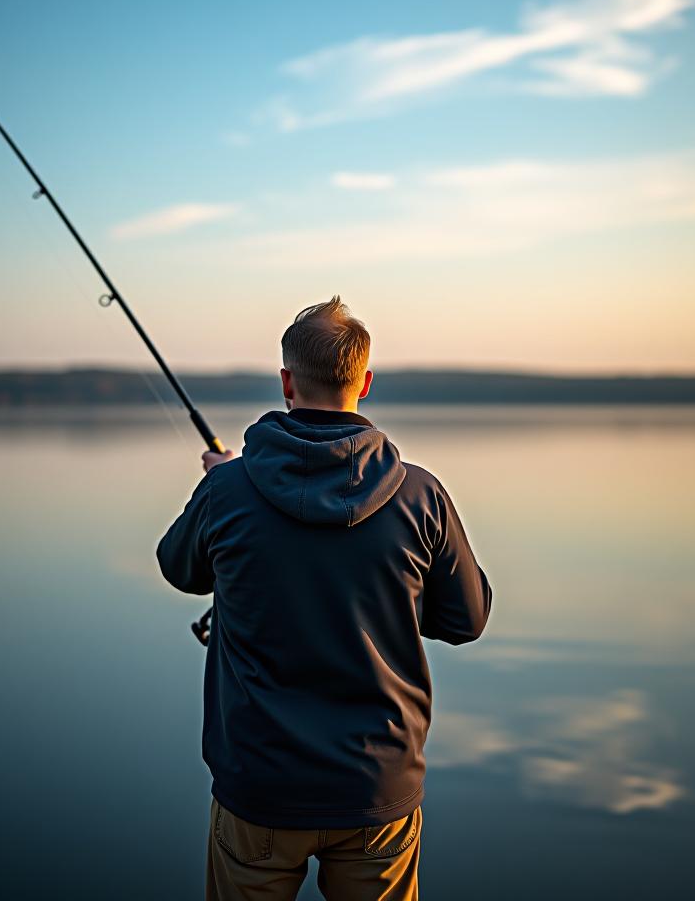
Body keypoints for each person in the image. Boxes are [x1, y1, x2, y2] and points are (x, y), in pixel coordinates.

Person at [157, 296, 493, 901]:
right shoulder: (422, 497)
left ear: (287, 381)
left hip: (259, 787)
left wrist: (216, 488)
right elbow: (466, 620)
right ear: (364, 382)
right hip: (376, 790)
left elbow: (179, 568)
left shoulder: (229, 491)